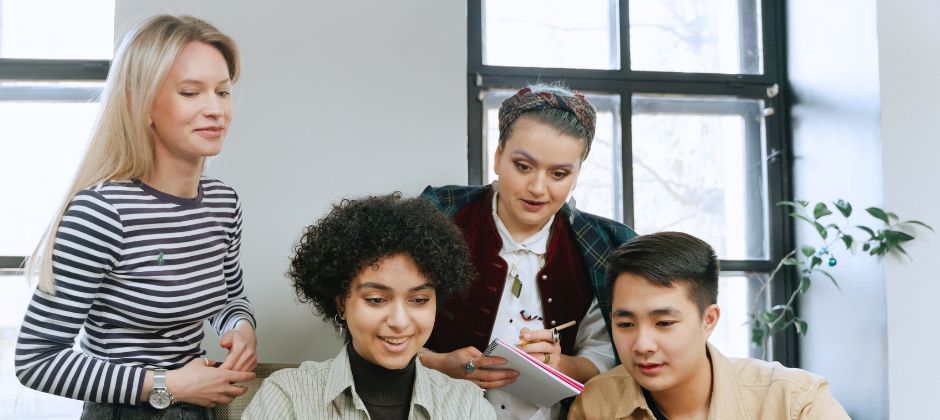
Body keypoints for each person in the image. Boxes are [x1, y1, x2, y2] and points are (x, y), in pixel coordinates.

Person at [15, 15, 258, 419]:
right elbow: (37, 360)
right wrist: (170, 384)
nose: (215, 109)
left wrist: (240, 328)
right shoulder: (102, 213)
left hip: (199, 409)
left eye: (222, 91)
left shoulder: (223, 203)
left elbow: (229, 297)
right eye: (190, 92)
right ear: (140, 104)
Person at [419, 83, 637, 419]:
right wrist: (439, 364)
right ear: (498, 156)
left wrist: (561, 363)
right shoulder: (439, 216)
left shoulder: (603, 245)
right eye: (523, 166)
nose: (537, 188)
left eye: (559, 174)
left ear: (577, 175)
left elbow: (608, 357)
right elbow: (378, 324)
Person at [242, 194, 496, 420]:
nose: (399, 321)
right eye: (376, 299)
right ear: (342, 303)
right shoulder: (289, 398)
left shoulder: (466, 405)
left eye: (419, 300)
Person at [569, 232, 850, 419]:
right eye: (626, 324)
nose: (642, 345)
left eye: (664, 323)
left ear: (709, 320)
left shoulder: (795, 403)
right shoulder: (596, 406)